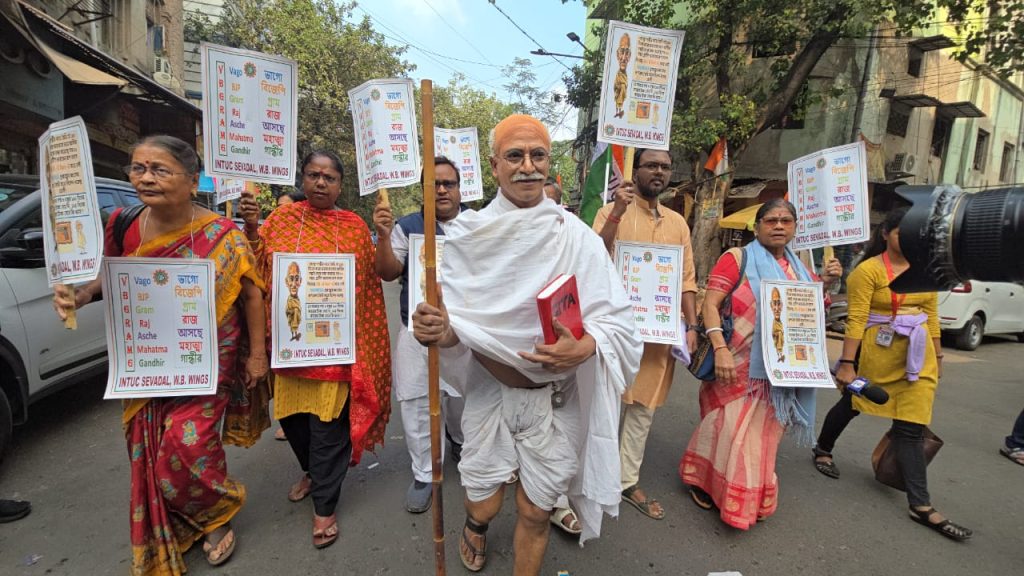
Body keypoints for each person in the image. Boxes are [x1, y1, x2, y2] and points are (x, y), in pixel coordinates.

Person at [412, 114, 641, 574]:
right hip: (489, 393)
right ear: (494, 165)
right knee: (485, 505)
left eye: (537, 155)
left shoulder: (575, 235)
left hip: (556, 399)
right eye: (515, 156)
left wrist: (588, 345)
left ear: (548, 163)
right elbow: (454, 322)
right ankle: (475, 527)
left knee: (536, 511)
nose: (527, 166)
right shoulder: (465, 238)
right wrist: (438, 329)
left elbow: (617, 317)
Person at [53, 135, 269, 572]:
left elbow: (250, 295)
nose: (146, 178)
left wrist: (258, 355)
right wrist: (82, 296)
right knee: (150, 443)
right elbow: (107, 278)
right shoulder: (123, 223)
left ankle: (215, 514)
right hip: (148, 355)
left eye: (159, 169)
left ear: (192, 182)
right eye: (138, 168)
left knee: (187, 442)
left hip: (206, 356)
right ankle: (179, 513)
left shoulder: (221, 234)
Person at [238, 150, 391, 549]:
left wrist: (363, 344)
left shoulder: (355, 227)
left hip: (336, 352)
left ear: (341, 185)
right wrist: (252, 228)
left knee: (327, 432)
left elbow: (370, 288)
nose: (321, 183)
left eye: (330, 177)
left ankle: (325, 506)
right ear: (303, 179)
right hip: (290, 349)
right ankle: (313, 472)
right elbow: (255, 270)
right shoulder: (281, 221)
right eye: (313, 175)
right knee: (295, 426)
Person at [679, 199, 841, 530]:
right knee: (726, 428)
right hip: (737, 364)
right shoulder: (737, 258)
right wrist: (721, 348)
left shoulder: (800, 269)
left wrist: (824, 282)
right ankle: (705, 481)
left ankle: (745, 494)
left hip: (779, 371)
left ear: (795, 228)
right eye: (770, 220)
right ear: (757, 227)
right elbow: (710, 302)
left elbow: (810, 311)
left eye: (785, 220)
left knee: (760, 438)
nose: (778, 226)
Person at [813, 207, 972, 541]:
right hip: (878, 353)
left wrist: (938, 354)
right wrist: (846, 362)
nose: (910, 239)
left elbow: (930, 314)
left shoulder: (924, 271)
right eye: (903, 232)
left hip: (917, 359)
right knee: (853, 405)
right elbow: (856, 318)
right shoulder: (867, 271)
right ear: (886, 233)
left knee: (911, 428)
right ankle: (823, 449)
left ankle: (921, 504)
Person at [593, 148, 698, 521]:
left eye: (666, 167)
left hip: (659, 335)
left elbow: (687, 279)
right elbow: (594, 256)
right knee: (602, 406)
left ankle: (624, 480)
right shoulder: (611, 212)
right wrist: (618, 211)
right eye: (651, 165)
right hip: (615, 331)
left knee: (642, 411)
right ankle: (590, 479)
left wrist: (692, 326)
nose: (659, 171)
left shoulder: (677, 223)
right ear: (635, 170)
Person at [373, 156, 466, 514]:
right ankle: (425, 472)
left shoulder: (477, 224)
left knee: (464, 398)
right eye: (434, 184)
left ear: (460, 189)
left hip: (464, 333)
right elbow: (387, 270)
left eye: (449, 183)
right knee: (415, 402)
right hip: (417, 331)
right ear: (424, 190)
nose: (441, 189)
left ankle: (460, 443)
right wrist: (383, 237)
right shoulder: (407, 226)